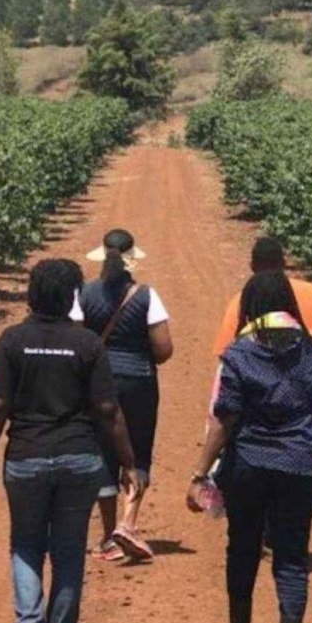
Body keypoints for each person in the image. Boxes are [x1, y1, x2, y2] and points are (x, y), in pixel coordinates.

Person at [0, 258, 143, 623]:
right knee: (69, 551)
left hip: (26, 458)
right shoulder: (88, 344)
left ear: (31, 295)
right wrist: (128, 462)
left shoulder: (12, 341)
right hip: (79, 458)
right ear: (72, 296)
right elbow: (108, 409)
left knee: (26, 543)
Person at [187, 270, 312, 623]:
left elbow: (225, 419)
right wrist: (306, 444)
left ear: (251, 307)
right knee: (291, 559)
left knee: (243, 549)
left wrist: (200, 473)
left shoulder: (239, 354)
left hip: (248, 467)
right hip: (299, 467)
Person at [78, 228, 173, 563]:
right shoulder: (147, 296)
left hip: (97, 383)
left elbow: (76, 339)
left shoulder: (84, 294)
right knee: (137, 450)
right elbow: (163, 350)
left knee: (103, 451)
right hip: (139, 382)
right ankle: (128, 522)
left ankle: (107, 536)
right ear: (132, 258)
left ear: (102, 255)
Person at [211, 237, 312, 429]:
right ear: (284, 264)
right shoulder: (310, 293)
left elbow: (226, 359)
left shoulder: (242, 301)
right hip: (307, 413)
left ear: (252, 266)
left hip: (259, 417)